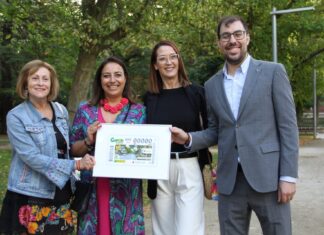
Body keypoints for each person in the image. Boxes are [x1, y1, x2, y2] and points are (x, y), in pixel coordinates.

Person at [171, 15, 299, 235]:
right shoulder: (211, 85)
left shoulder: (273, 72)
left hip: (269, 178)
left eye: (238, 34)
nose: (232, 40)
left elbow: (288, 128)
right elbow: (215, 130)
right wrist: (189, 139)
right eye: (226, 36)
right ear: (219, 43)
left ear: (247, 38)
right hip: (230, 181)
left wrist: (287, 176)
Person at [0, 60, 95, 235]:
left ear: (51, 84)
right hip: (30, 196)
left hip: (61, 194)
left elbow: (65, 150)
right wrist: (75, 165)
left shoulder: (61, 111)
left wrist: (88, 141)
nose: (41, 83)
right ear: (25, 83)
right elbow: (31, 156)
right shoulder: (16, 116)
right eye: (35, 78)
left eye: (45, 79)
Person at [70, 56, 146, 235]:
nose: (112, 80)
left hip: (126, 191)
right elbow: (73, 149)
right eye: (106, 76)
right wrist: (88, 140)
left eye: (117, 75)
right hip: (93, 188)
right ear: (99, 80)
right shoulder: (85, 110)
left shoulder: (139, 112)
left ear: (125, 78)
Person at [144, 40, 210, 235]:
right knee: (162, 231)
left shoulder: (197, 93)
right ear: (155, 65)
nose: (169, 62)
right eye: (162, 58)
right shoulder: (149, 98)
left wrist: (189, 138)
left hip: (189, 166)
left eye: (173, 57)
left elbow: (211, 132)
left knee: (188, 230)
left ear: (179, 60)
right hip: (159, 169)